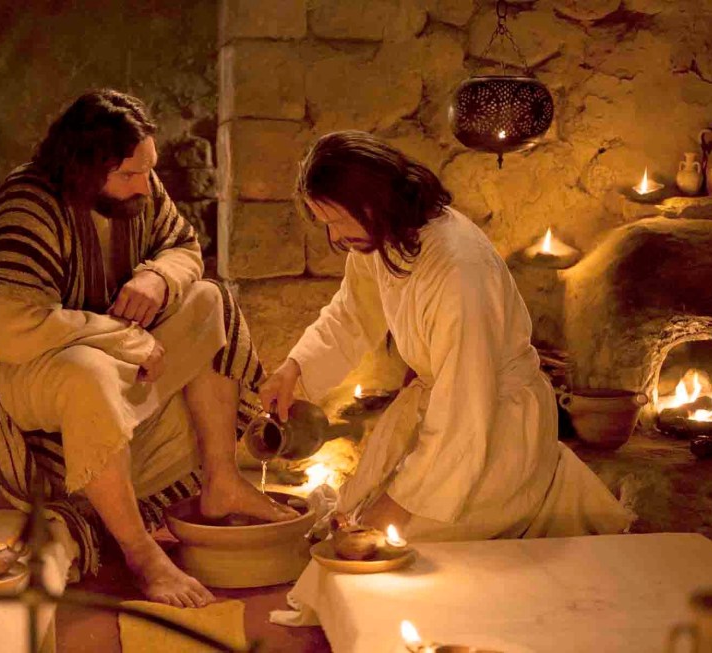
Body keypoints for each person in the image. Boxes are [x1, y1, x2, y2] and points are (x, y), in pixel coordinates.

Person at [0, 89, 295, 608]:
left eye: (148, 170)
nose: (145, 185)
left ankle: (221, 480)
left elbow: (183, 247)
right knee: (88, 372)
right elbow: (8, 327)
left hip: (109, 353)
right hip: (16, 368)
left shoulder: (137, 188)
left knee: (207, 299)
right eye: (130, 174)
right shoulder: (30, 202)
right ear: (84, 168)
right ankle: (140, 551)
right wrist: (125, 339)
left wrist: (158, 277)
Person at [259, 131, 632, 541]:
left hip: (492, 429)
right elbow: (353, 312)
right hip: (451, 410)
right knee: (355, 528)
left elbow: (464, 405)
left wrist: (397, 505)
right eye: (326, 224)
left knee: (396, 548)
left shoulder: (458, 269)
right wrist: (294, 368)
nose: (334, 237)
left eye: (336, 220)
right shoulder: (381, 236)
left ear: (372, 198)